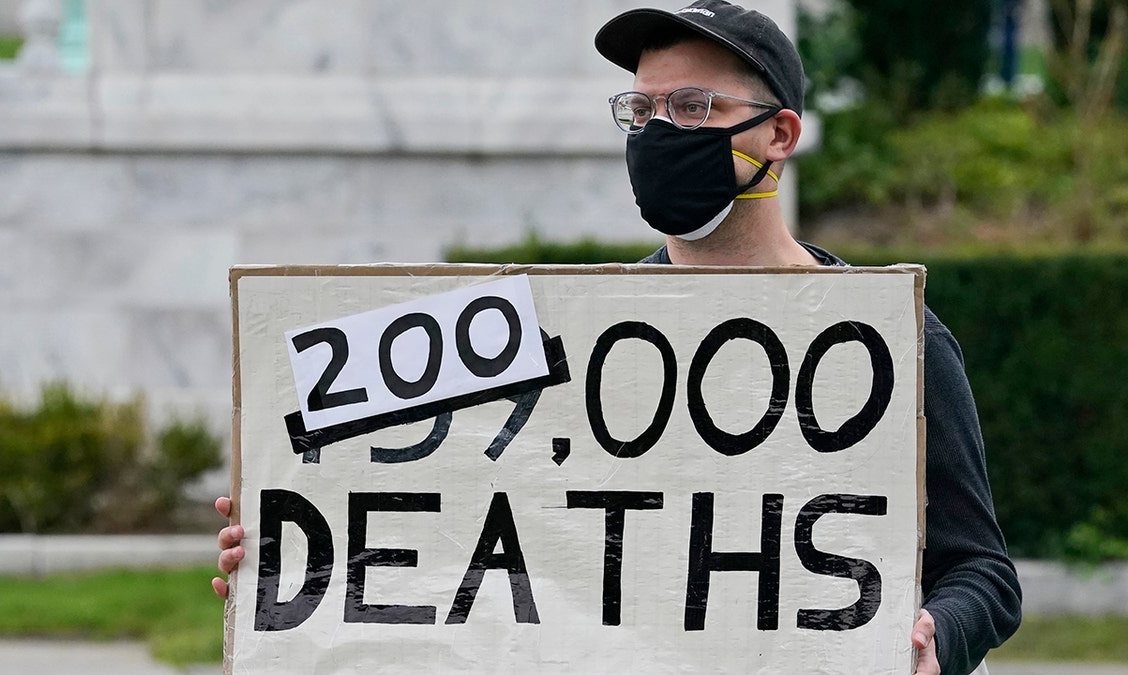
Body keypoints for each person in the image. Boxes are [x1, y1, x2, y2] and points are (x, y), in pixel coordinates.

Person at [215, 2, 1022, 673]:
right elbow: (462, 525)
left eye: (693, 108)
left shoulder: (889, 338)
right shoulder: (568, 326)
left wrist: (933, 639)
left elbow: (982, 572)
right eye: (642, 110)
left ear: (780, 135)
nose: (658, 130)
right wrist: (292, 558)